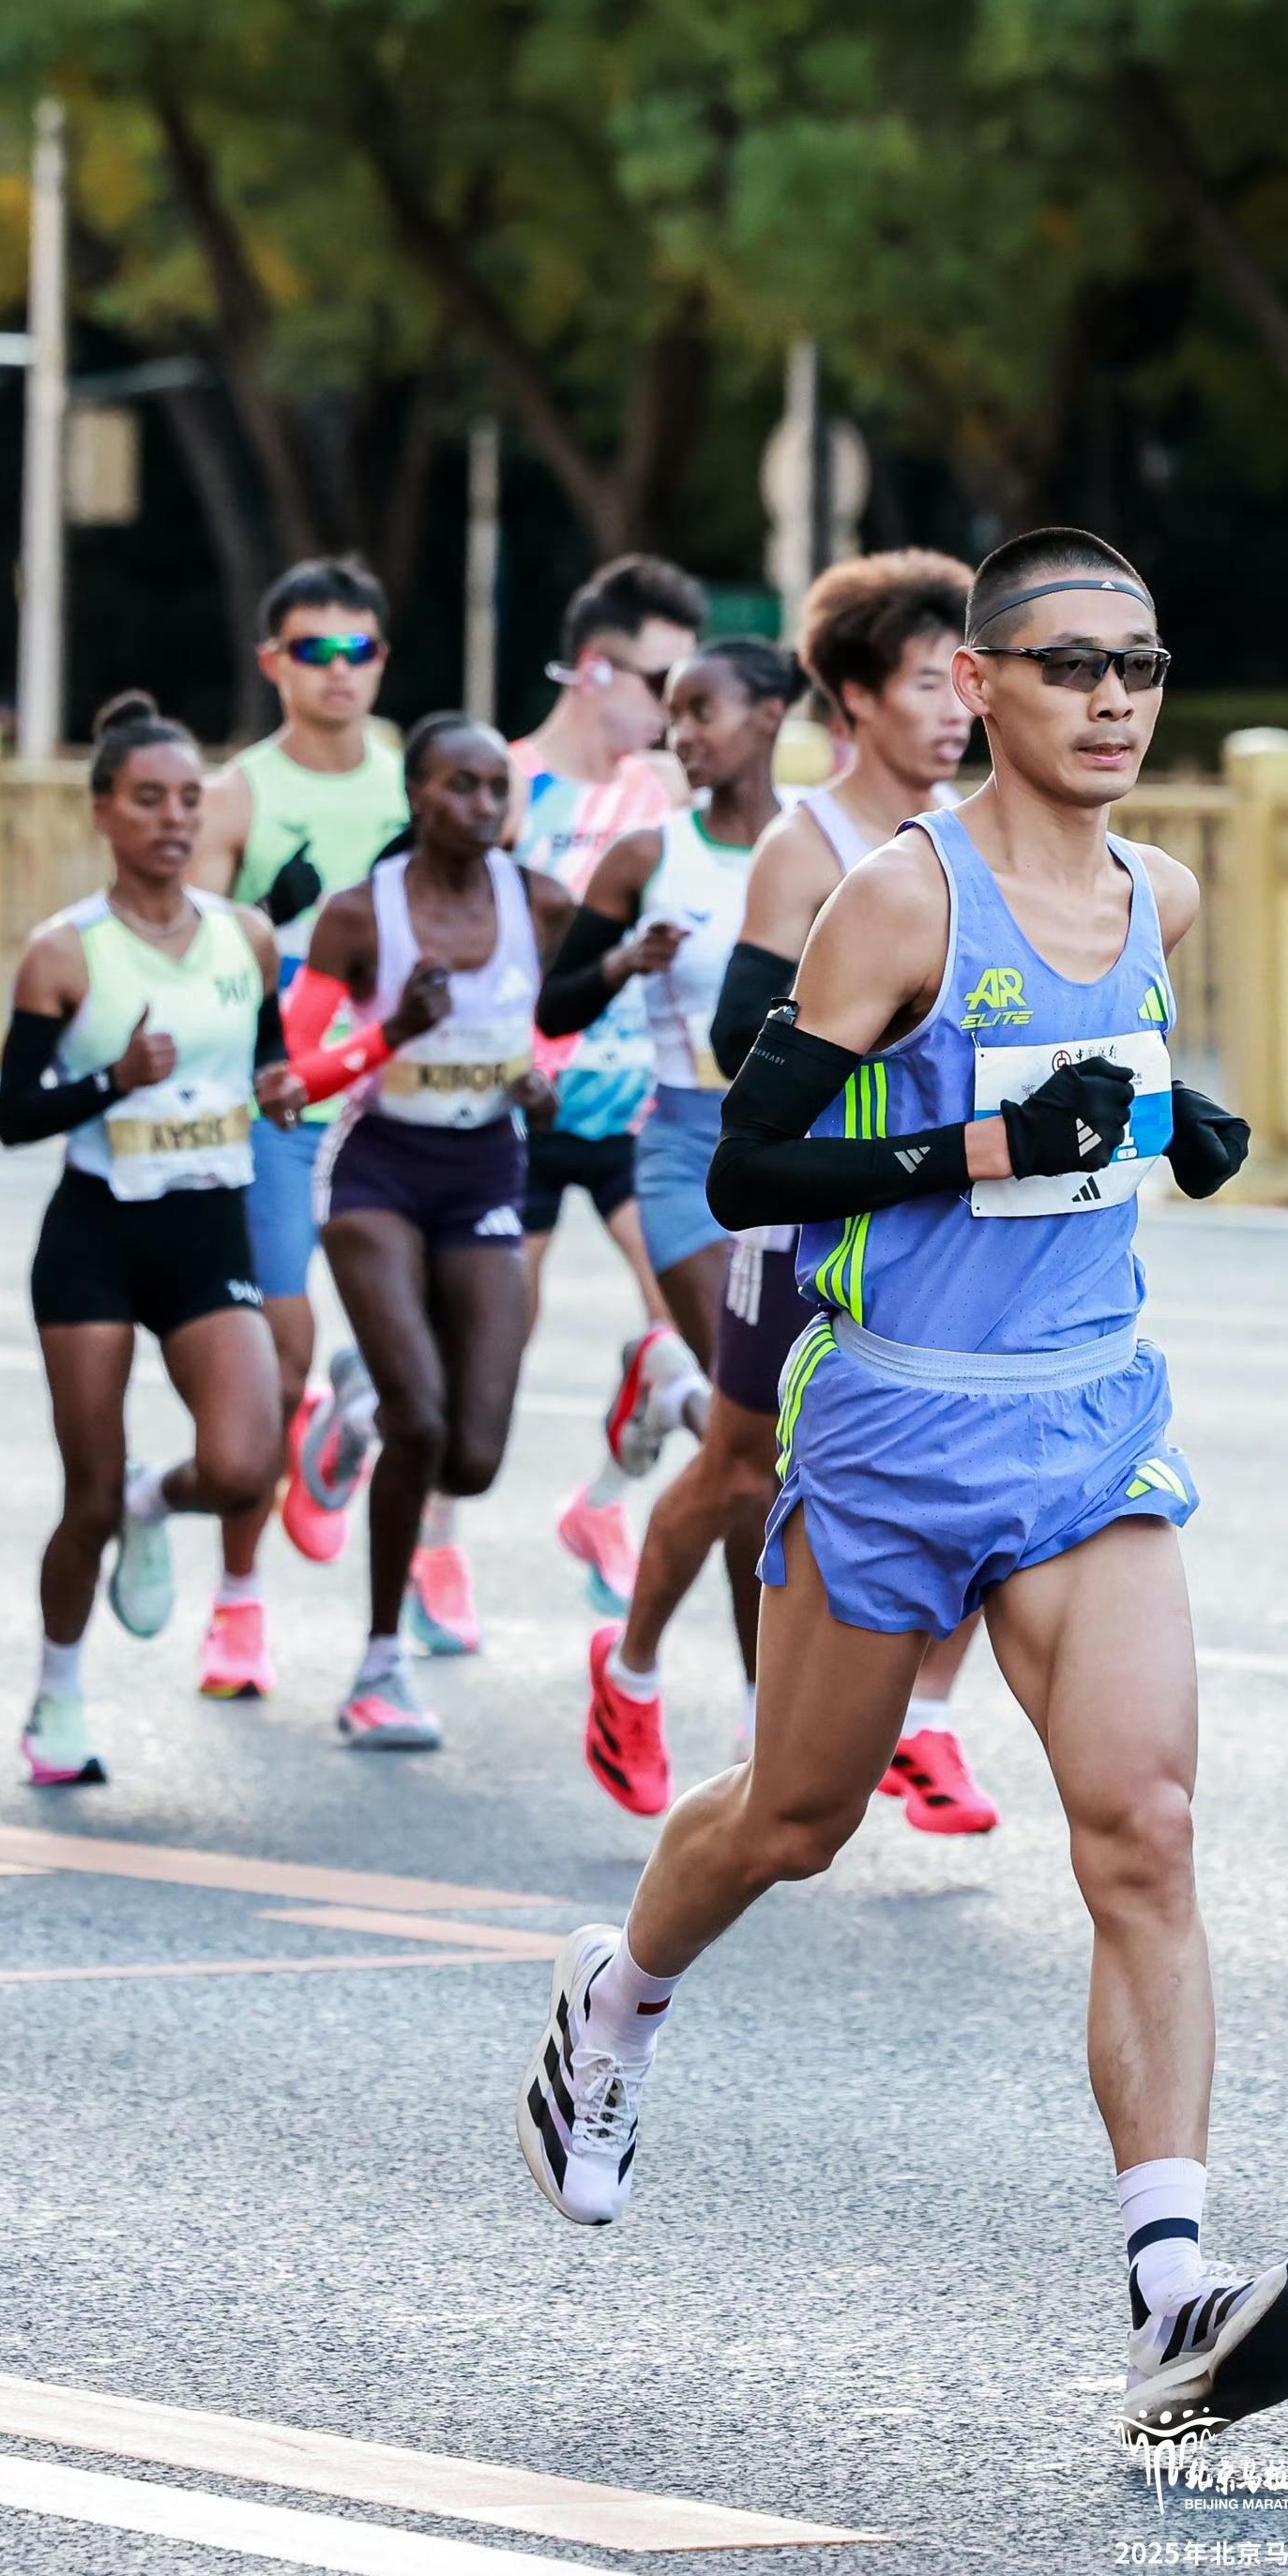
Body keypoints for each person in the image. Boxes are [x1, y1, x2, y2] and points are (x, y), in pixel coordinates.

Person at [518, 527, 1288, 2450]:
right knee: (795, 1819)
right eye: (1071, 667)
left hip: (1086, 1420)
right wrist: (984, 1136)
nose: (1115, 702)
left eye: (1141, 667)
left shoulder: (1164, 892)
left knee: (1143, 1827)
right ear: (980, 685)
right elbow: (753, 1170)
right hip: (890, 1423)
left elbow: (1100, 1084)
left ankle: (1169, 2288)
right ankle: (615, 2003)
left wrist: (1161, 1115)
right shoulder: (899, 900)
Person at [582, 555, 998, 1829]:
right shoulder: (803, 845)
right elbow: (735, 1034)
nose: (955, 711)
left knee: (996, 1461)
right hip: (800, 1200)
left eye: (965, 685)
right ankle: (632, 1669)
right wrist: (880, 1024)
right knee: (741, 1462)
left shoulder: (980, 837)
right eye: (928, 682)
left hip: (937, 1208)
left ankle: (923, 1721)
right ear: (855, 699)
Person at [0, 694, 291, 1787]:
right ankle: (56, 1698)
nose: (173, 819)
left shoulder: (242, 936)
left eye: (188, 800)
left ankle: (151, 1501)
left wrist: (278, 1087)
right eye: (148, 800)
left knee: (244, 1463)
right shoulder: (63, 953)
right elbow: (16, 1112)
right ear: (103, 813)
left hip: (208, 1223)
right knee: (81, 1493)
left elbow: (266, 1057)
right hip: (95, 1240)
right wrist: (110, 1081)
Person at [536, 638, 794, 1795]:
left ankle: (750, 1709)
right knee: (757, 1446)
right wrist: (622, 963)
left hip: (799, 1166)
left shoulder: (832, 854)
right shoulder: (649, 855)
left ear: (773, 715)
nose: (682, 734)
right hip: (688, 1153)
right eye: (674, 714)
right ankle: (652, 1680)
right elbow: (552, 996)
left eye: (705, 712)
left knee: (767, 1460)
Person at [282, 714, 570, 1744]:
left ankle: (351, 1411)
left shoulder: (541, 904)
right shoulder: (360, 917)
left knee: (474, 1455)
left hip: (487, 1167)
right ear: (416, 796)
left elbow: (560, 1025)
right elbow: (288, 1073)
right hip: (378, 1172)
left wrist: (547, 1081)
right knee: (424, 1417)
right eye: (461, 787)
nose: (484, 808)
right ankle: (375, 1669)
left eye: (499, 790)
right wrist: (392, 1033)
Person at [188, 556, 409, 1699]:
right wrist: (272, 923)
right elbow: (190, 948)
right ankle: (237, 1605)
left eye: (358, 649)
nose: (340, 672)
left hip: (398, 1107)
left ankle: (407, 1583)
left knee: (437, 1358)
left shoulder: (419, 781)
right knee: (268, 1358)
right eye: (314, 651)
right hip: (278, 1104)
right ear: (272, 662)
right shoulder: (237, 795)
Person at [509, 553, 705, 1621]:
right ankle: (430, 1551)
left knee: (694, 1332)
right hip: (519, 1116)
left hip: (640, 1113)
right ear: (594, 671)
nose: (675, 710)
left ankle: (604, 1503)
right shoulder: (502, 783)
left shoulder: (665, 790)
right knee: (491, 1358)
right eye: (658, 684)